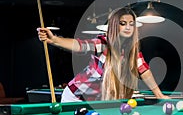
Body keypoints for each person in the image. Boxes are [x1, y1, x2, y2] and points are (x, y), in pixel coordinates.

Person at [37, 7, 169, 102]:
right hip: (75, 96)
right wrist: (54, 40)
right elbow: (80, 45)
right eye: (123, 24)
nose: (128, 27)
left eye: (131, 24)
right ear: (114, 26)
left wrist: (159, 94)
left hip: (96, 100)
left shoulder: (132, 50)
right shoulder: (104, 44)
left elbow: (144, 70)